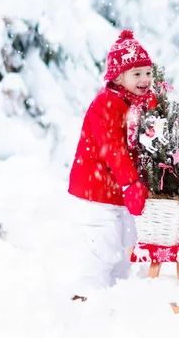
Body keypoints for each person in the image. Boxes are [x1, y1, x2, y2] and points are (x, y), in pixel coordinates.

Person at [66, 30, 154, 300]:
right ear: (118, 77)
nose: (144, 80)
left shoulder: (135, 104)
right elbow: (113, 148)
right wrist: (130, 182)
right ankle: (85, 297)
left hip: (118, 191)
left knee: (127, 246)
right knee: (104, 244)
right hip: (97, 189)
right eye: (136, 73)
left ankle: (114, 298)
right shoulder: (107, 103)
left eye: (147, 73)